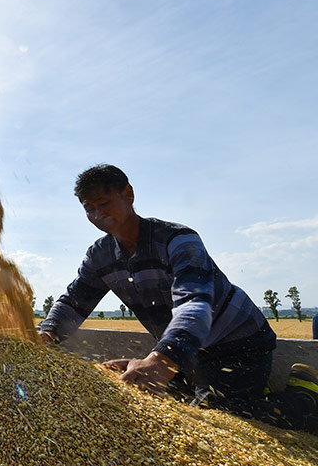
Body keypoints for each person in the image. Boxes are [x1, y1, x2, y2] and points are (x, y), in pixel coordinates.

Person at [39, 164, 318, 433]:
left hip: (237, 342)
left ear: (128, 194)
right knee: (159, 400)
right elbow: (74, 301)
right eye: (89, 208)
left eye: (103, 203)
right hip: (185, 348)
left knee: (222, 417)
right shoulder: (99, 256)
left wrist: (161, 362)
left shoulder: (177, 240)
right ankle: (242, 387)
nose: (97, 214)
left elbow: (194, 303)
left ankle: (304, 397)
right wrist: (47, 334)